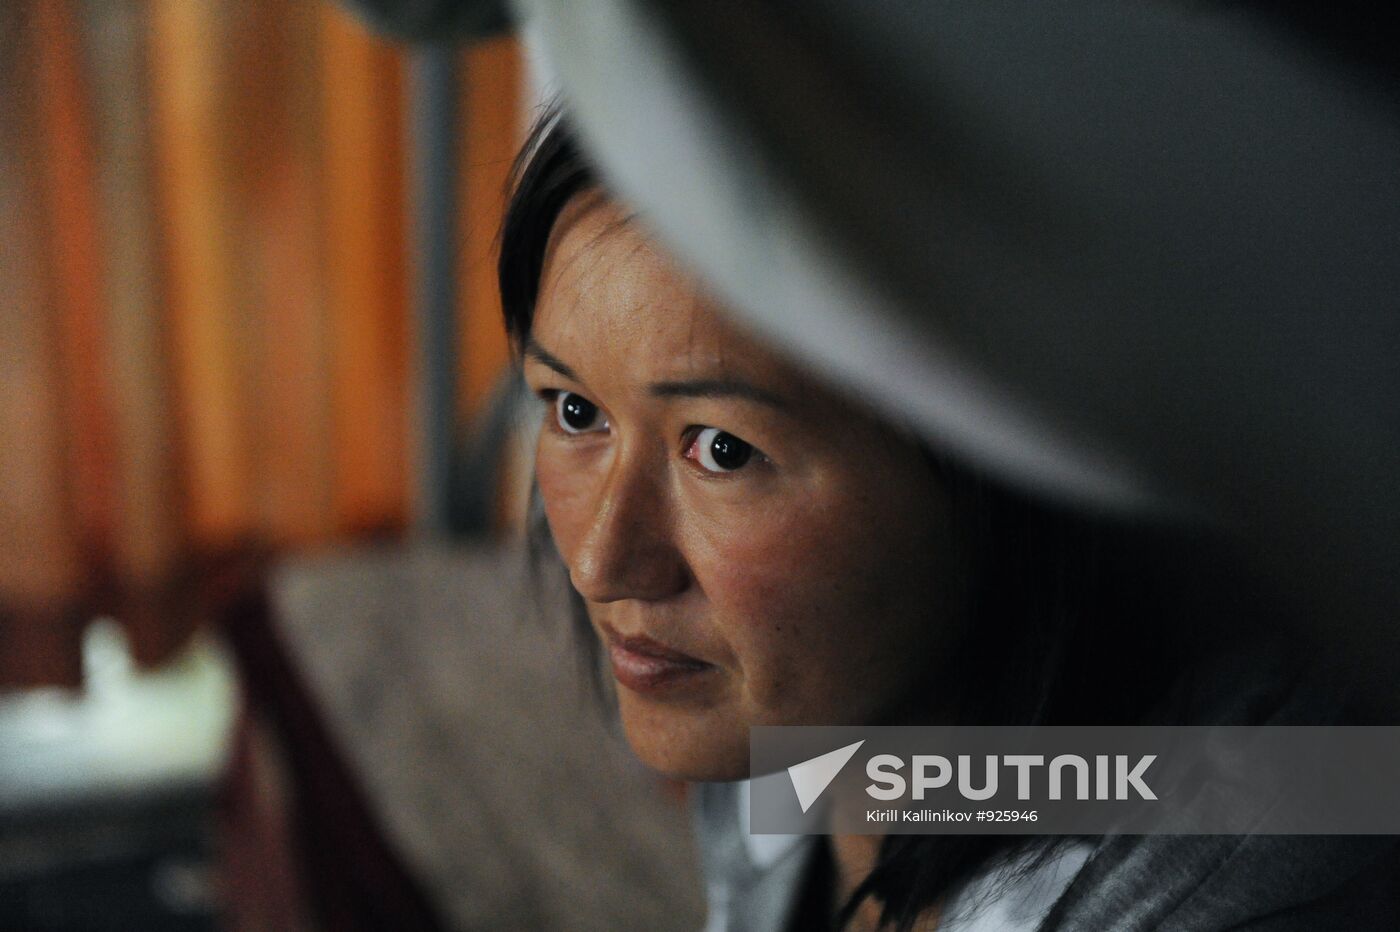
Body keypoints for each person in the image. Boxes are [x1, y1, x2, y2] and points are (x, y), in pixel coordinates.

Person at [497, 106, 1400, 931]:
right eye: (575, 412)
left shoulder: (1271, 871)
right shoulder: (798, 737)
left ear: (1012, 462)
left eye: (724, 450)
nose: (602, 563)